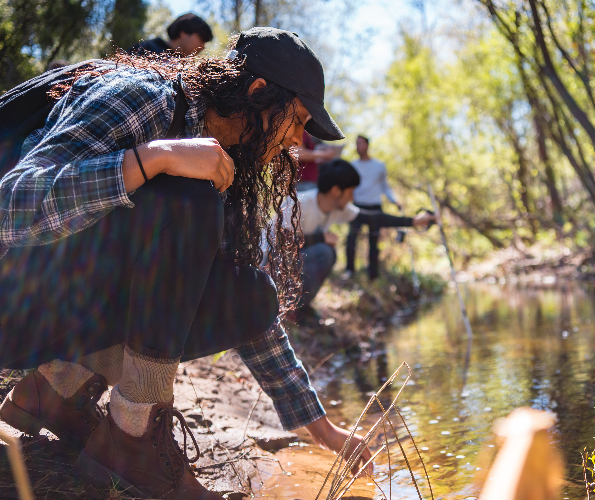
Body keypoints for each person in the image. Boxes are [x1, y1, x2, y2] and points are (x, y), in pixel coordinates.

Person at [0, 28, 370, 499]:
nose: (297, 140)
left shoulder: (224, 161)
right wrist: (154, 158)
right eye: (296, 119)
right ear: (258, 93)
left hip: (56, 307)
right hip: (12, 309)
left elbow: (244, 310)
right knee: (189, 201)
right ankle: (131, 439)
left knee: (252, 297)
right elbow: (11, 205)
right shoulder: (143, 97)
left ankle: (55, 391)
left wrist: (324, 432)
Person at [279, 159, 434, 318]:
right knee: (325, 252)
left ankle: (299, 307)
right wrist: (321, 237)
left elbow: (374, 218)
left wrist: (413, 221)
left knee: (327, 251)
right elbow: (280, 246)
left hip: (289, 264)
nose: (353, 197)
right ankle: (288, 308)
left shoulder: (337, 208)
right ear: (336, 191)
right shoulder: (298, 203)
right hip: (270, 266)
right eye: (351, 191)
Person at [346, 135, 401, 279]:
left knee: (374, 243)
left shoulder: (379, 166)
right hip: (357, 207)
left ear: (367, 145)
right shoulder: (352, 165)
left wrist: (395, 201)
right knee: (352, 238)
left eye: (361, 143)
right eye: (356, 144)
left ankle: (373, 274)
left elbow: (385, 187)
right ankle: (350, 270)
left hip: (375, 207)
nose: (358, 146)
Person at [129, 13, 213, 56]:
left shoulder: (185, 67)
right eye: (202, 39)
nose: (203, 46)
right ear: (183, 33)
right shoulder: (146, 48)